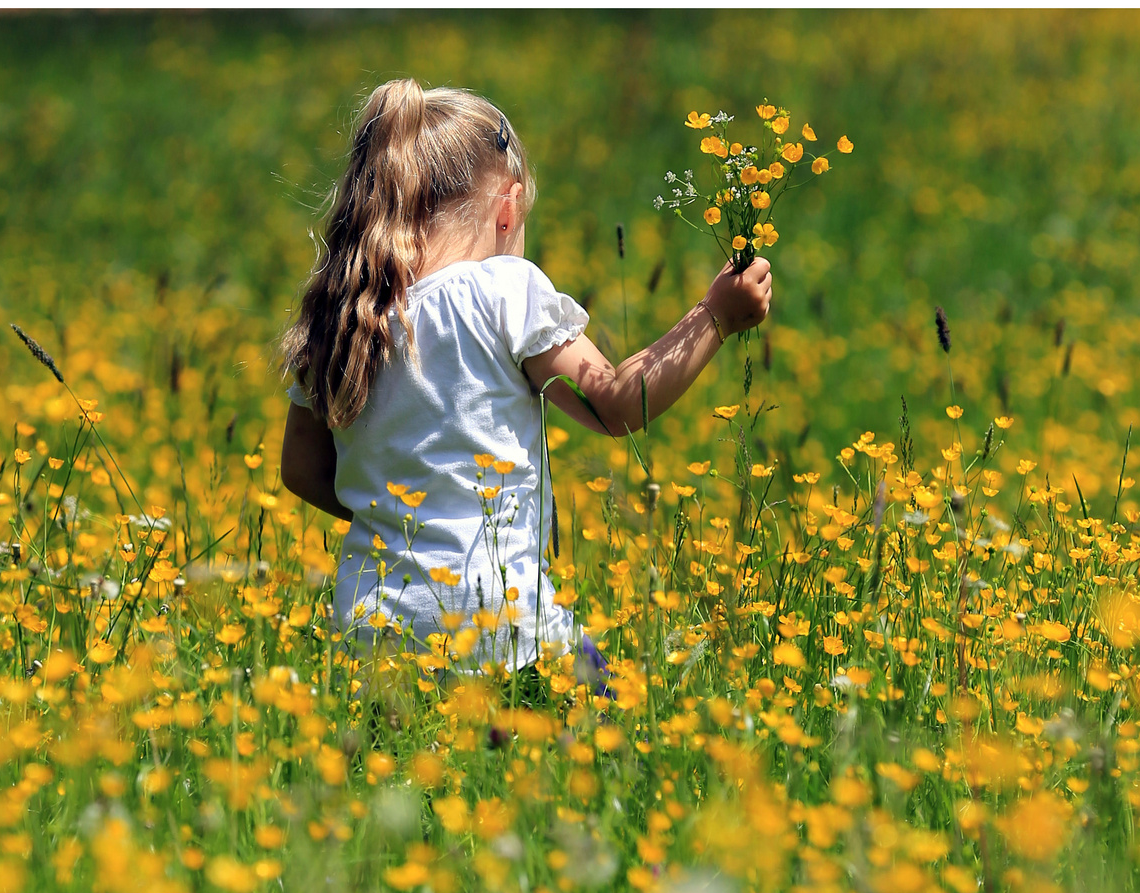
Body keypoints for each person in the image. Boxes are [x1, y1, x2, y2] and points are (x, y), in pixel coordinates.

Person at [278, 78, 771, 691]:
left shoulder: (341, 315)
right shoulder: (501, 290)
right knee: (609, 724)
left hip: (374, 632)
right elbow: (615, 402)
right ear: (506, 208)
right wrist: (715, 317)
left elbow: (300, 469)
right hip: (500, 624)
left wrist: (403, 513)